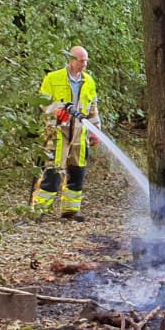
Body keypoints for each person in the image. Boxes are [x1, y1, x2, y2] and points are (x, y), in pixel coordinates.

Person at [32, 46, 102, 221]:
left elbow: (92, 109)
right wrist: (58, 109)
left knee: (77, 171)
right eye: (81, 60)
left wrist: (96, 132)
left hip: (80, 133)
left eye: (86, 61)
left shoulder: (89, 81)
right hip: (57, 131)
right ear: (71, 60)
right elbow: (43, 102)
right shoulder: (53, 78)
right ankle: (39, 211)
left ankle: (70, 211)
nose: (84, 64)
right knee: (53, 171)